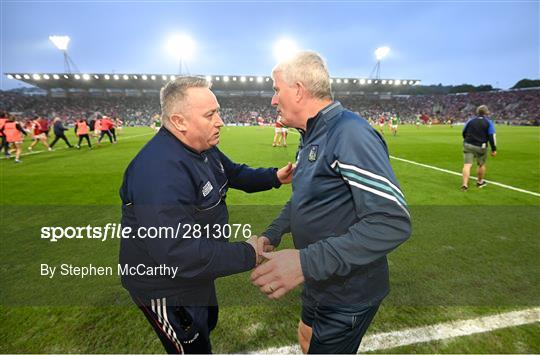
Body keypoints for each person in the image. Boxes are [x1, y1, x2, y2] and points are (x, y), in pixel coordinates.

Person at [250, 51, 411, 354]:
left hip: (348, 289)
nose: (273, 100)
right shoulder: (310, 135)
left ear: (298, 90)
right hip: (319, 277)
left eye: (276, 89)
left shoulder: (349, 133)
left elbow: (392, 222)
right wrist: (272, 234)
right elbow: (304, 198)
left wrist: (304, 262)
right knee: (306, 334)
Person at [119, 76, 293, 354]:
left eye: (218, 111)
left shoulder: (203, 148)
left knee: (206, 323)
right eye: (210, 114)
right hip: (165, 285)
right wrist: (249, 253)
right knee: (192, 348)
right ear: (179, 121)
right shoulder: (158, 171)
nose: (220, 121)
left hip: (197, 270)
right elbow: (178, 251)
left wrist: (274, 177)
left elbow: (233, 173)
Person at [460, 104, 497, 191]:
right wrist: (494, 149)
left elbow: (464, 132)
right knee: (481, 165)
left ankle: (464, 185)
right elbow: (492, 136)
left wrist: (467, 140)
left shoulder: (470, 121)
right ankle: (479, 182)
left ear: (477, 112)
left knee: (467, 165)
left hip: (468, 144)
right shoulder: (488, 122)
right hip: (481, 146)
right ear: (486, 113)